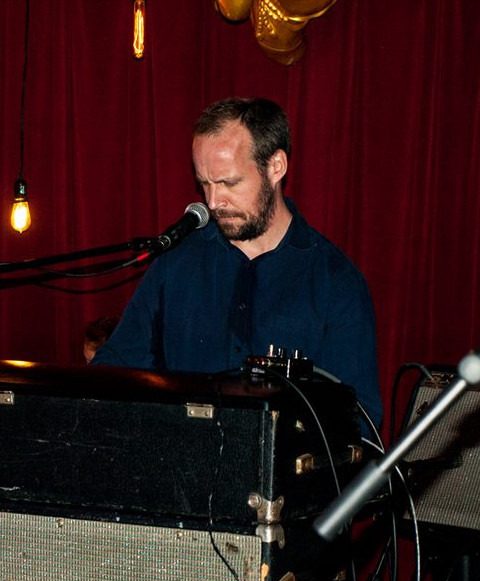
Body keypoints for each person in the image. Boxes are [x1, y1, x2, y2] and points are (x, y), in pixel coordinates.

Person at [93, 97, 382, 432]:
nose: (213, 202)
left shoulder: (337, 284)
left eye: (228, 183)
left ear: (276, 167)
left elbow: (359, 424)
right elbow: (113, 371)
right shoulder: (175, 265)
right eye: (204, 183)